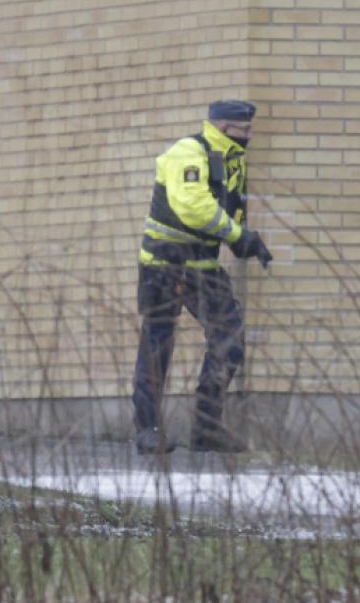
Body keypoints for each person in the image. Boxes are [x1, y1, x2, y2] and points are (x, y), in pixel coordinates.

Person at [131, 99, 272, 455]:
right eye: (244, 130)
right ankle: (147, 430)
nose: (249, 135)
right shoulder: (188, 152)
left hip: (203, 267)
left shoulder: (232, 161)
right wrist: (237, 236)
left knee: (229, 338)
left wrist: (244, 239)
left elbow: (228, 208)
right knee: (157, 345)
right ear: (224, 128)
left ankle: (206, 429)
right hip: (165, 264)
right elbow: (193, 207)